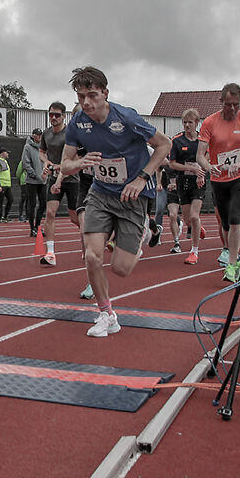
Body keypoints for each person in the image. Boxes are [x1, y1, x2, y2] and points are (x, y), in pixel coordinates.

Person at [60, 66, 170, 337]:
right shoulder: (77, 123)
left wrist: (142, 178)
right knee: (92, 255)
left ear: (105, 94)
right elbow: (64, 165)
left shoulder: (127, 117)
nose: (86, 102)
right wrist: (80, 163)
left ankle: (144, 229)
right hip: (101, 193)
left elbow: (164, 144)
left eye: (92, 95)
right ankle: (106, 314)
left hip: (132, 196)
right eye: (81, 95)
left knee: (121, 269)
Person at [197, 84, 240, 282]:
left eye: (236, 105)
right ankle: (235, 255)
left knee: (235, 217)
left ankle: (232, 265)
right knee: (225, 222)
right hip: (219, 177)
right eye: (228, 105)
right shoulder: (210, 122)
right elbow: (200, 155)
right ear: (221, 102)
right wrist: (209, 167)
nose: (232, 109)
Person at [38, 102, 81, 266]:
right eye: (51, 115)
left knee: (75, 218)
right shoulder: (46, 134)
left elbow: (74, 158)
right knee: (50, 213)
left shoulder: (70, 133)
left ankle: (95, 236)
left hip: (72, 179)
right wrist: (46, 162)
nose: (53, 118)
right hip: (53, 178)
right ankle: (50, 253)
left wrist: (60, 168)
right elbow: (41, 152)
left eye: (57, 115)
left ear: (64, 116)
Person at [167, 109, 208, 264]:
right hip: (183, 181)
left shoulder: (203, 140)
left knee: (194, 215)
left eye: (190, 122)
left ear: (197, 123)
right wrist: (191, 168)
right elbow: (172, 164)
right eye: (184, 122)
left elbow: (207, 157)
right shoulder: (177, 141)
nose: (187, 125)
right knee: (188, 218)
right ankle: (198, 227)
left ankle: (194, 251)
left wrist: (201, 173)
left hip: (199, 181)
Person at [21, 128, 47, 237]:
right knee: (31, 205)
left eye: (41, 135)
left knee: (43, 204)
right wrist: (35, 175)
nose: (39, 137)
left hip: (43, 181)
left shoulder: (44, 148)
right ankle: (32, 228)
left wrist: (46, 173)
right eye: (37, 135)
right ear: (33, 135)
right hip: (32, 181)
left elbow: (47, 161)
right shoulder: (28, 147)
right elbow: (25, 163)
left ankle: (38, 226)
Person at [0, 148, 13, 222]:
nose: (8, 154)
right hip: (2, 184)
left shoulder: (5, 161)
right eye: (6, 152)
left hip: (7, 184)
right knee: (0, 201)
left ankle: (5, 216)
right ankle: (0, 217)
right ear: (2, 153)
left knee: (10, 200)